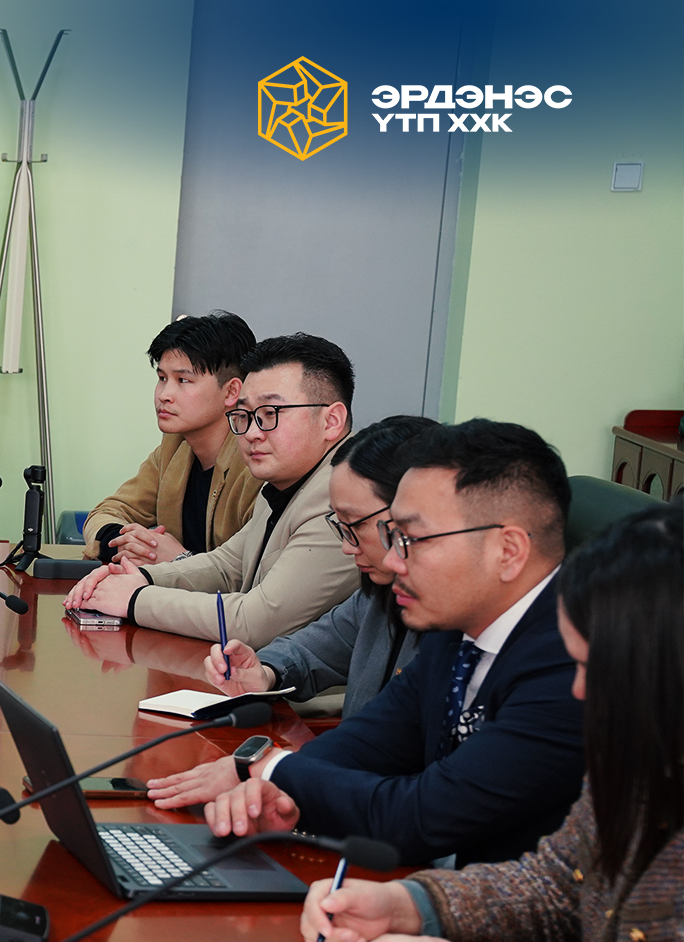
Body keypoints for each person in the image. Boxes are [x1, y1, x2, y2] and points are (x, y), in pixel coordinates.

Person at [301, 504, 684, 942]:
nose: (580, 690)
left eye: (595, 667)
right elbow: (557, 885)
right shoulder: (641, 755)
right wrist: (409, 905)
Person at [200, 419, 586, 869]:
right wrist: (272, 785)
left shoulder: (575, 665)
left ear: (508, 551)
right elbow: (373, 739)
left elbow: (424, 815)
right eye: (392, 537)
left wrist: (275, 770)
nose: (394, 560)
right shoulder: (458, 628)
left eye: (412, 540)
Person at [146, 416, 434, 810]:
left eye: (355, 527)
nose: (348, 547)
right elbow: (317, 645)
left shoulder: (456, 626)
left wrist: (276, 770)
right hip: (346, 793)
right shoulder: (380, 592)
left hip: (376, 809)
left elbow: (398, 753)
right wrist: (266, 671)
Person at [63, 334, 361, 646]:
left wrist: (135, 599)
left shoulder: (344, 496)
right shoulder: (284, 478)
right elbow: (227, 566)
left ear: (331, 421)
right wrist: (138, 577)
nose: (252, 433)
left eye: (270, 414)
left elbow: (255, 621)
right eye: (245, 416)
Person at [82, 311, 263, 563]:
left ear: (232, 391)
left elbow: (254, 570)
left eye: (183, 380)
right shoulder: (174, 447)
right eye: (162, 378)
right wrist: (128, 545)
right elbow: (107, 512)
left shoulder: (258, 459)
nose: (164, 395)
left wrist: (181, 560)